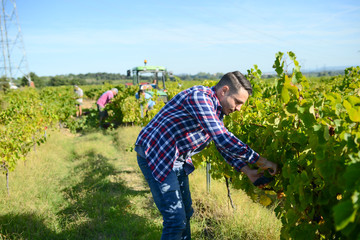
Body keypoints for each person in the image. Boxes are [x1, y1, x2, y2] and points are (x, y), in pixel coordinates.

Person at [134, 71, 278, 240]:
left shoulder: (216, 111)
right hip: (156, 155)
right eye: (237, 102)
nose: (239, 108)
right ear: (224, 91)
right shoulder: (200, 97)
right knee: (175, 220)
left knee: (186, 213)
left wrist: (247, 171)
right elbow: (223, 138)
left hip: (175, 158)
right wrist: (261, 161)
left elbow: (221, 146)